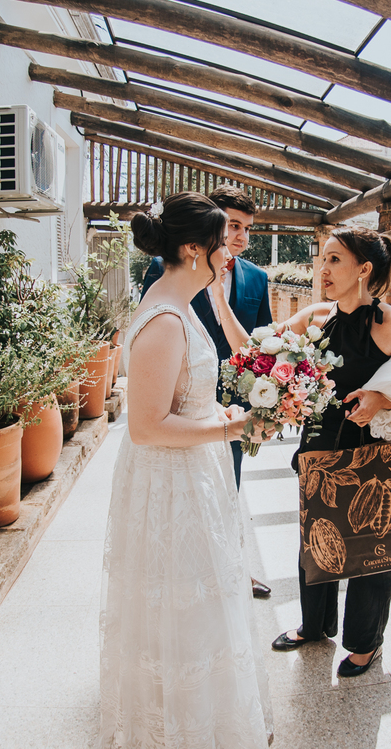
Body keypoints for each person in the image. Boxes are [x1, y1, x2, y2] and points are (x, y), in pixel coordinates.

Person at [99, 192, 273, 749]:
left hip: (193, 474)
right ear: (195, 248)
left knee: (200, 607)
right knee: (184, 605)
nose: (232, 253)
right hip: (171, 486)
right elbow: (146, 426)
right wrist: (233, 428)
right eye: (224, 243)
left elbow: (179, 397)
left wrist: (216, 412)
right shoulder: (168, 319)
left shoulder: (174, 299)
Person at [212, 225, 391, 677]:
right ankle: (314, 625)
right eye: (322, 258)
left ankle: (367, 644)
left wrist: (381, 400)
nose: (322, 269)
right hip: (319, 448)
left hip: (369, 453)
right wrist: (217, 297)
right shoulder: (316, 318)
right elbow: (253, 351)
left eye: (334, 260)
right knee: (315, 540)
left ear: (364, 269)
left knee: (369, 552)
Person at [143, 185, 275, 599]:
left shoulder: (255, 277)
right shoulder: (167, 284)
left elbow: (261, 350)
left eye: (245, 229)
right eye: (229, 228)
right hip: (178, 408)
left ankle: (229, 563)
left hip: (228, 408)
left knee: (225, 488)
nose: (237, 238)